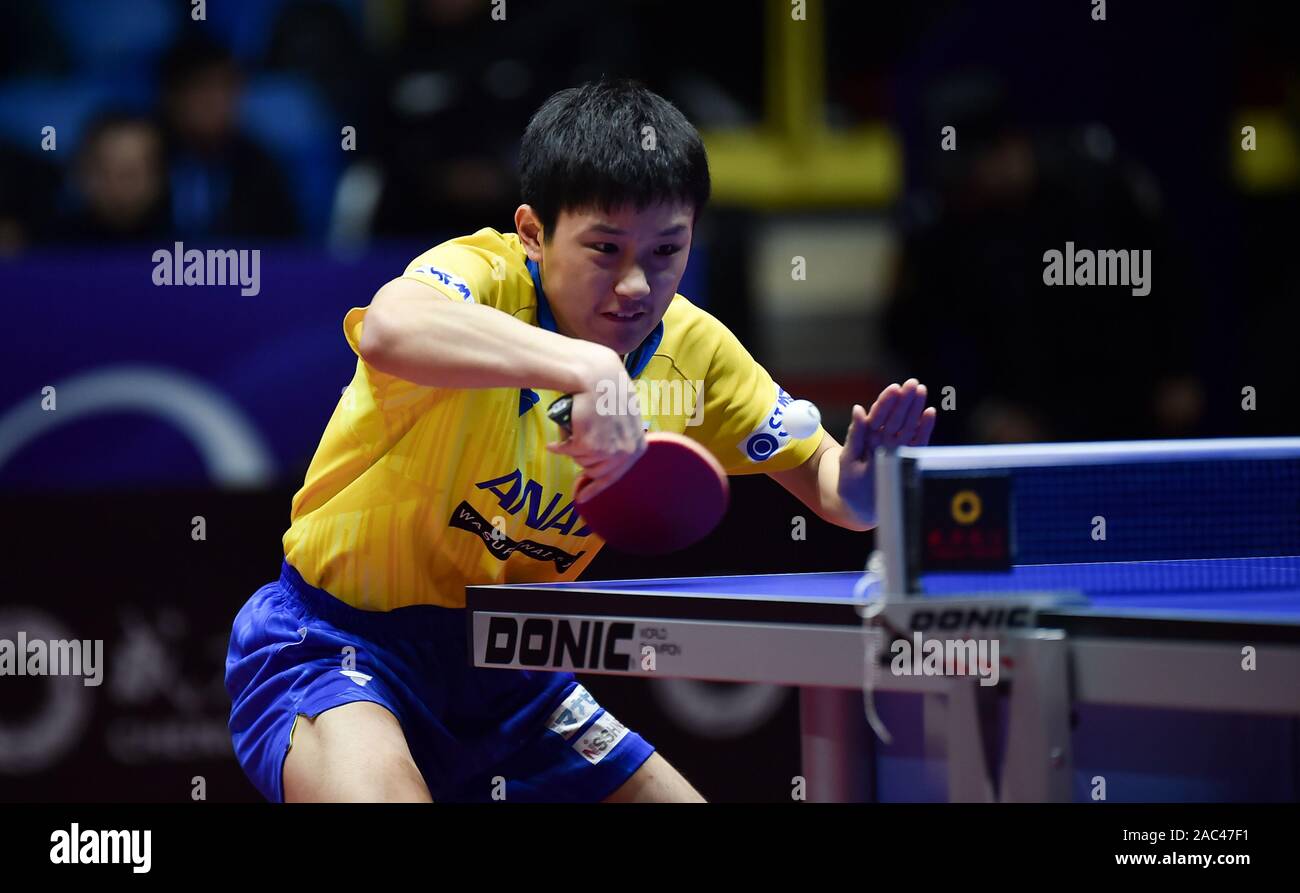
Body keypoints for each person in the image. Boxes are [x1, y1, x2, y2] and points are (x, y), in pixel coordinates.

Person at [225, 79, 935, 803]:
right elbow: (390, 326)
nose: (636, 284)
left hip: (517, 680)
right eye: (605, 247)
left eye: (667, 249)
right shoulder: (487, 277)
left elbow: (827, 481)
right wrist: (586, 366)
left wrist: (856, 487)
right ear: (533, 231)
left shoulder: (695, 351)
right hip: (337, 644)